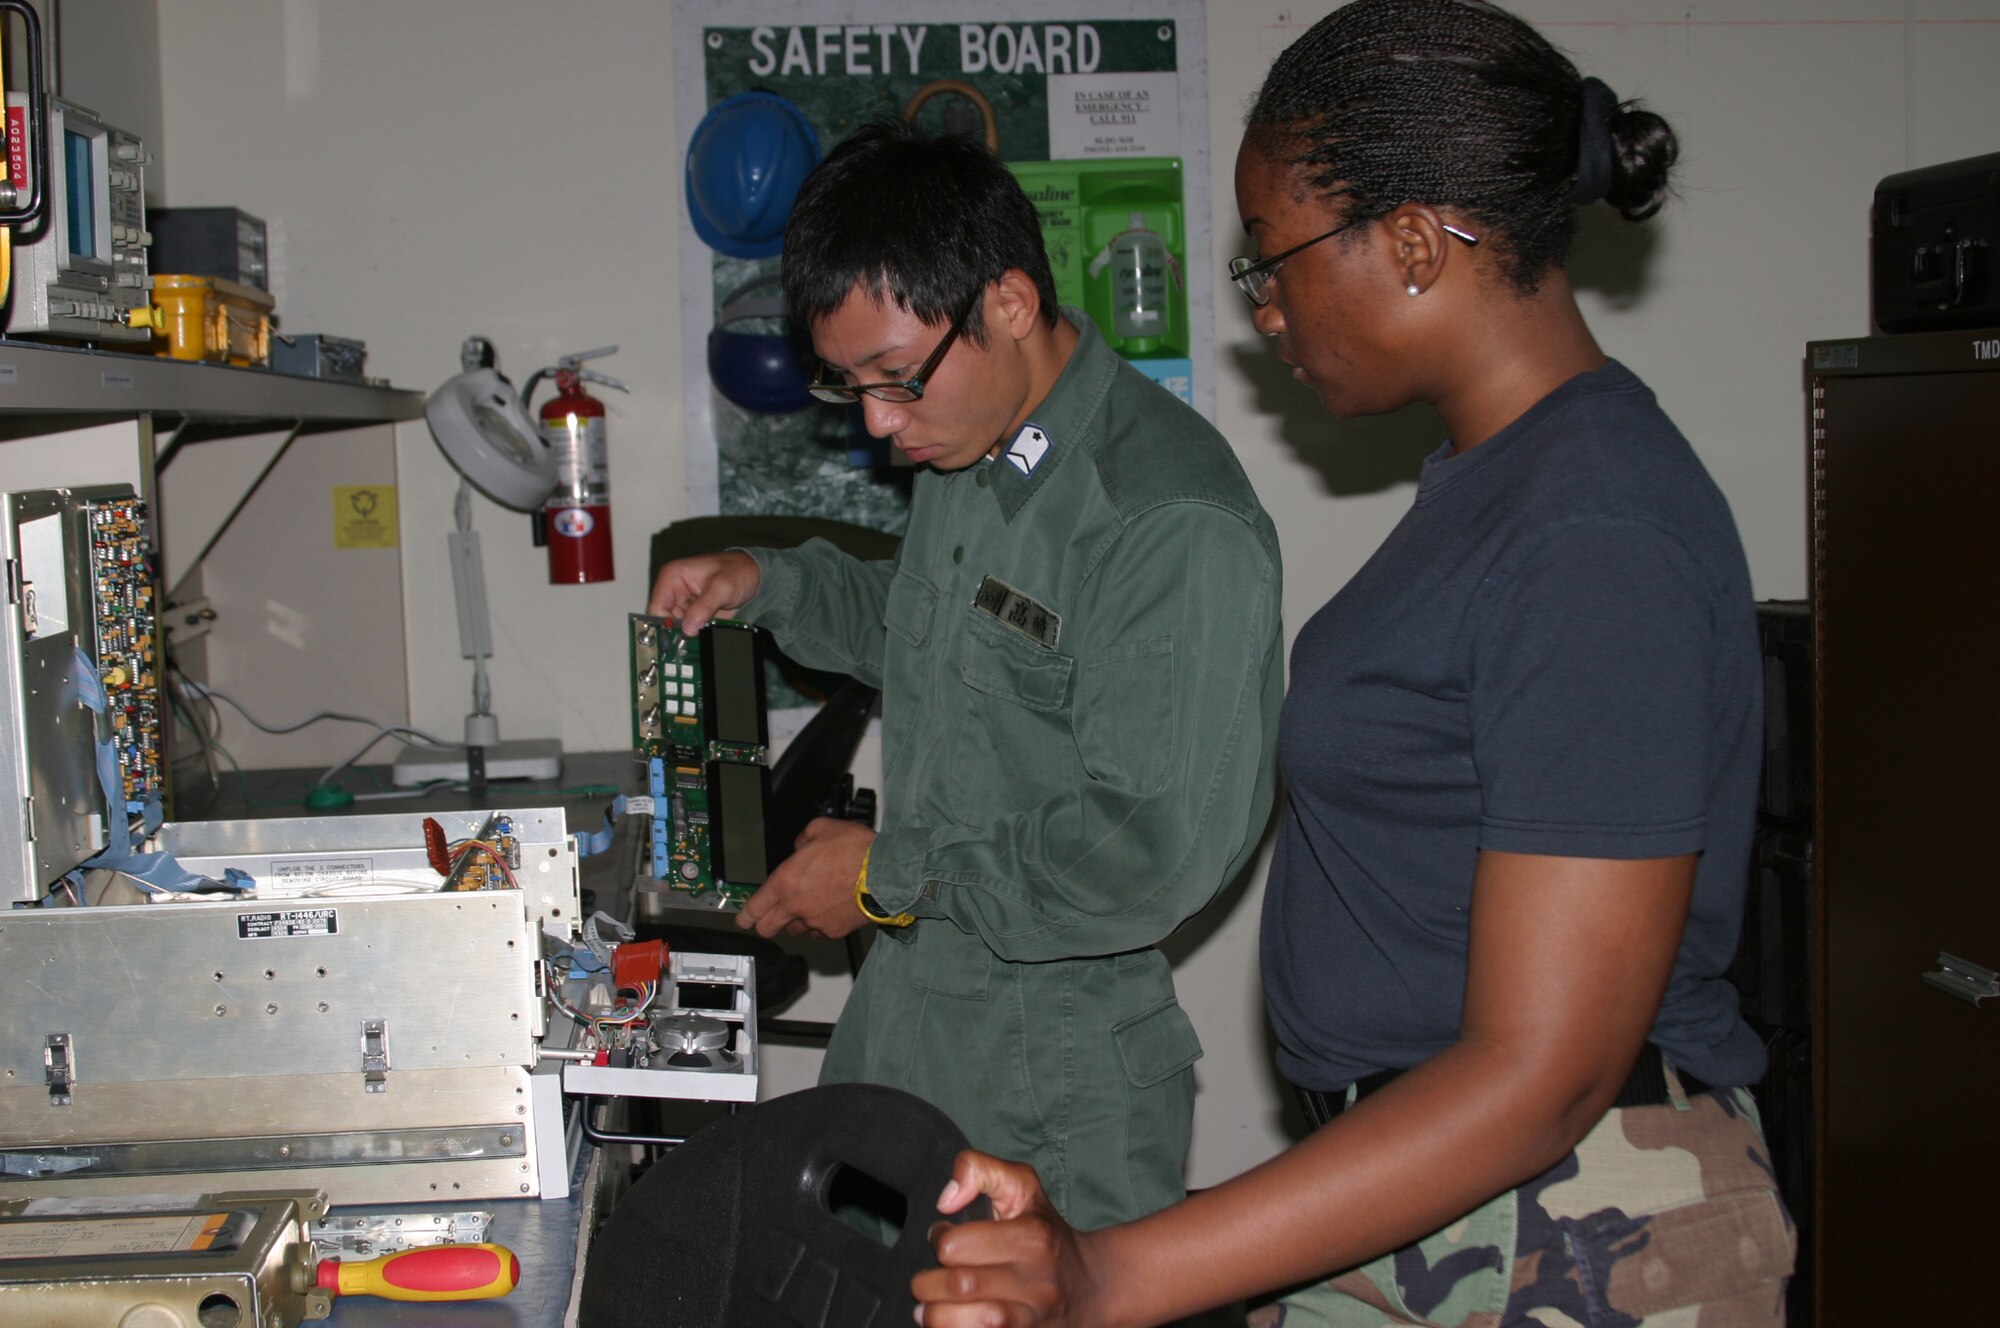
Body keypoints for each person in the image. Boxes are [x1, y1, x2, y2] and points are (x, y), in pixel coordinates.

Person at [915, 2, 1796, 1325]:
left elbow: (1544, 1071)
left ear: (1411, 243)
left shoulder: (1596, 527)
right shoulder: (1501, 490)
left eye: (1273, 255)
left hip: (1582, 1220)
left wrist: (1114, 1272)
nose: (1265, 305)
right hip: (1461, 1194)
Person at [647, 119, 1284, 1236]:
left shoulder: (1165, 519)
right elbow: (921, 622)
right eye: (854, 389)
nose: (884, 428)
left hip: (1050, 1080)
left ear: (1006, 303)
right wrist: (771, 581)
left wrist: (893, 874)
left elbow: (1153, 850)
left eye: (895, 379)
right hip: (910, 1030)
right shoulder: (977, 443)